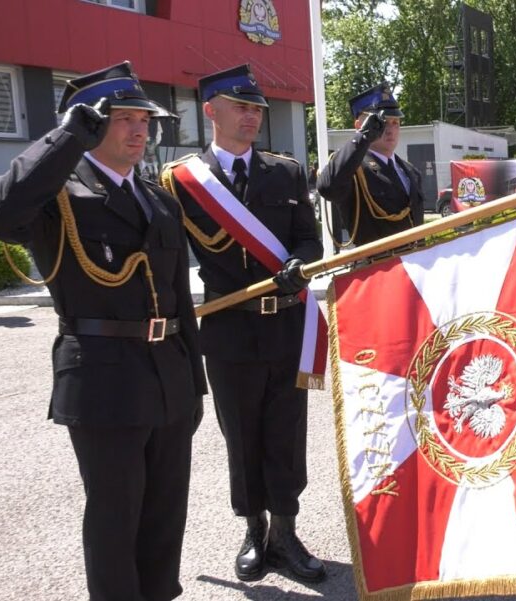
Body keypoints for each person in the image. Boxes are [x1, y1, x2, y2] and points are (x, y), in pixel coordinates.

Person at [0, 61, 205, 600]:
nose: (139, 131)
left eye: (145, 120)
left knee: (164, 513)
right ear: (89, 124)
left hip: (167, 373)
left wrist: (193, 381)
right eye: (122, 119)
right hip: (103, 377)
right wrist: (65, 139)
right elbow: (1, 213)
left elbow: (178, 295)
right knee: (116, 517)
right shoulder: (58, 197)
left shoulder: (157, 199)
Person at [161, 64, 325, 583]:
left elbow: (309, 240)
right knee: (242, 435)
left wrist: (298, 262)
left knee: (285, 433)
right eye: (241, 106)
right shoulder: (183, 182)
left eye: (257, 108)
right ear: (211, 110)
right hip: (229, 330)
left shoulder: (287, 172)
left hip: (285, 326)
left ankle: (286, 531)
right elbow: (163, 255)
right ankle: (253, 531)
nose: (253, 116)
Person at [316, 82, 424, 247]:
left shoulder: (410, 171)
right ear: (359, 125)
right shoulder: (353, 168)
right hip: (377, 267)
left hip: (413, 266)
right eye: (382, 122)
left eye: (395, 122)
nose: (390, 129)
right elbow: (328, 187)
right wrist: (363, 138)